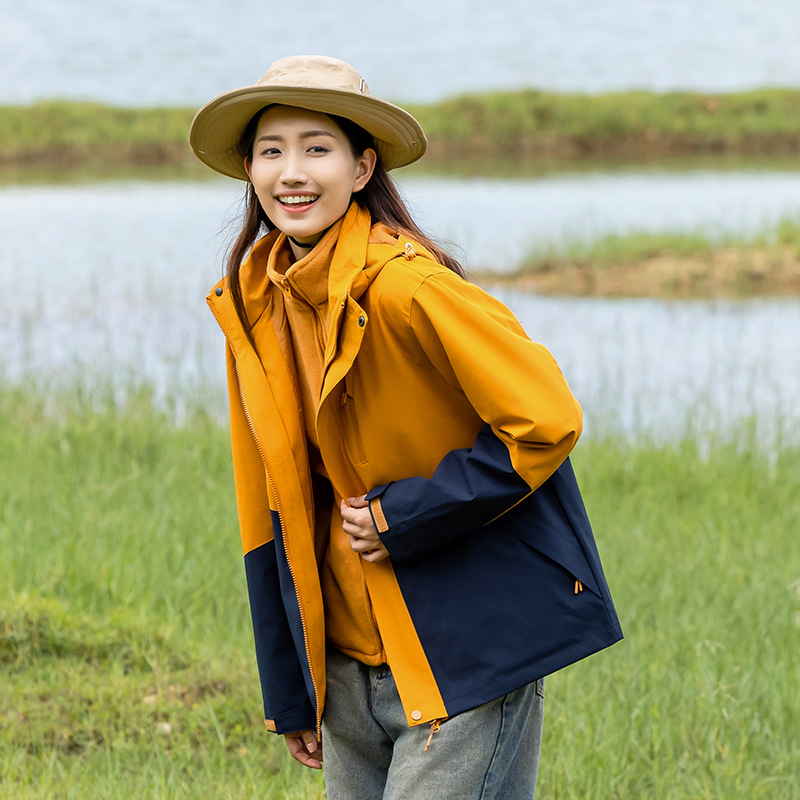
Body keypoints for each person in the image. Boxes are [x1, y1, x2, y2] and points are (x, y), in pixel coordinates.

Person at [190, 54, 622, 800]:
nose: (292, 172)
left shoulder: (410, 288)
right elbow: (269, 506)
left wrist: (405, 514)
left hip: (461, 653)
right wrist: (293, 682)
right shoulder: (254, 304)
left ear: (362, 168)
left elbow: (548, 419)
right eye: (271, 151)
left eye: (317, 149)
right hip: (346, 669)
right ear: (250, 171)